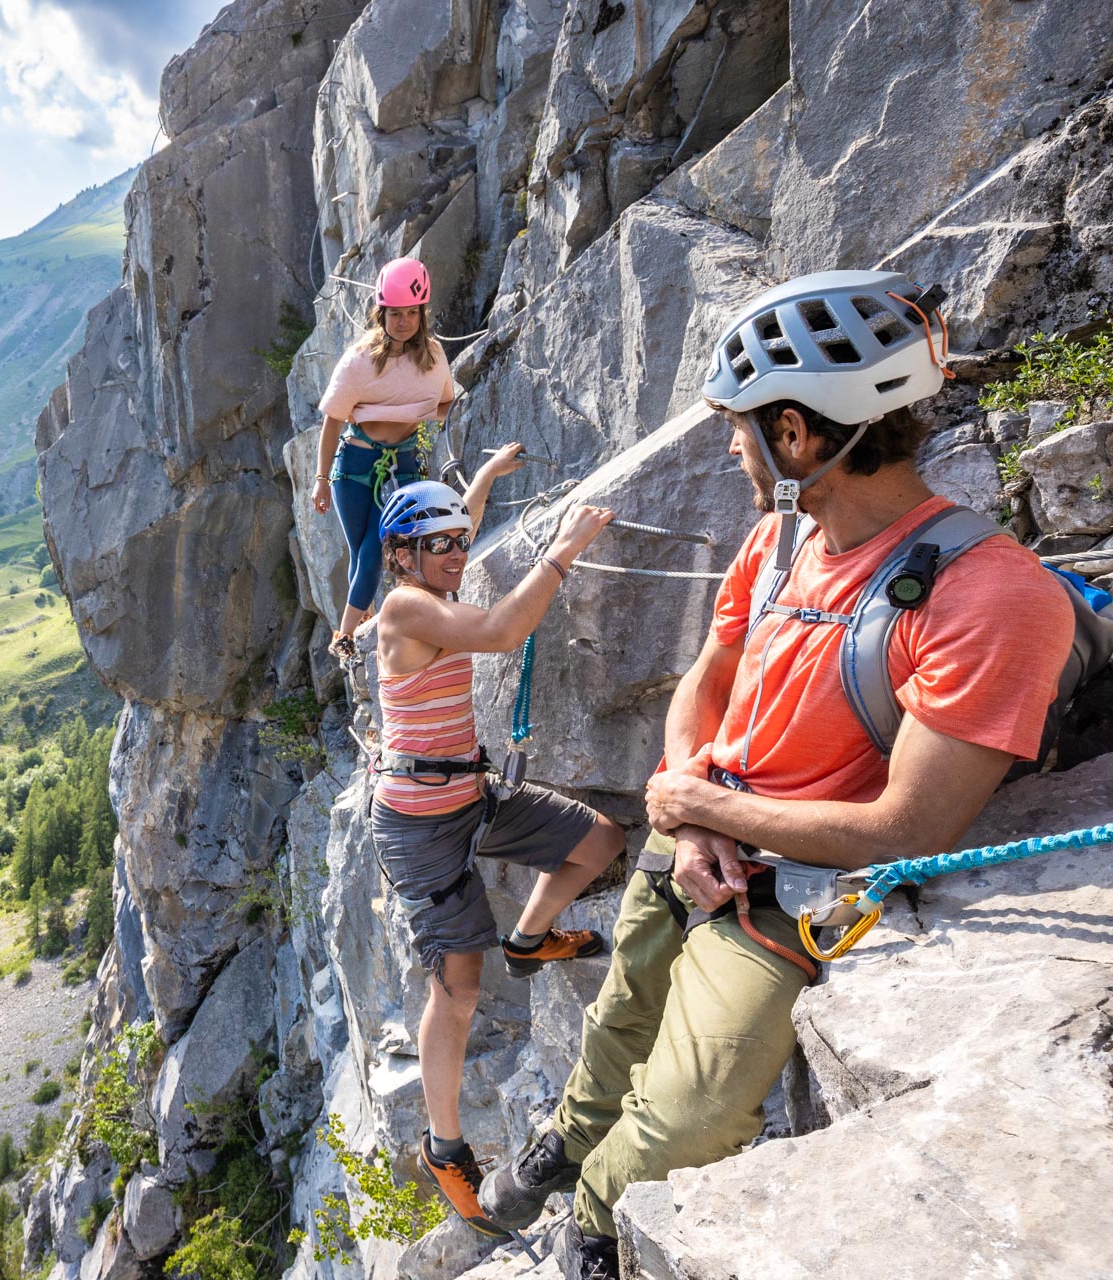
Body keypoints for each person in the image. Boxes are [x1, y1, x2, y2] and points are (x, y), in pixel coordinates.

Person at [474, 271, 1078, 1280]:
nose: (727, 444)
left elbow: (909, 828)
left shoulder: (991, 595)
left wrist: (701, 805)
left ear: (797, 434)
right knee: (625, 1004)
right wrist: (689, 792)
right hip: (699, 828)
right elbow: (706, 683)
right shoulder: (780, 539)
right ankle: (572, 1133)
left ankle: (595, 1206)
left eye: (736, 425)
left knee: (693, 1114)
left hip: (787, 891)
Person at [366, 476, 625, 1234]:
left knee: (599, 840)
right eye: (437, 545)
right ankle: (446, 1149)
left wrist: (475, 491)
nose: (456, 554)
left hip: (468, 794)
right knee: (458, 992)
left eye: (460, 541)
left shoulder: (428, 579)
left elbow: (455, 533)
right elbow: (508, 630)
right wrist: (564, 551)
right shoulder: (405, 606)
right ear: (401, 555)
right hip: (418, 826)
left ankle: (530, 937)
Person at [313, 257, 458, 661]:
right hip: (355, 468)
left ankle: (343, 637)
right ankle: (363, 624)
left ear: (422, 313)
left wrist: (427, 435)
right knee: (362, 551)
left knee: (376, 551)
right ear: (382, 313)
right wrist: (320, 478)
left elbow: (445, 403)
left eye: (412, 312)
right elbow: (332, 421)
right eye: (396, 314)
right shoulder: (359, 360)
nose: (404, 321)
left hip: (406, 465)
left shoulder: (432, 356)